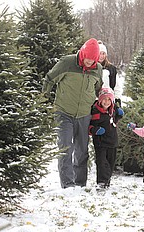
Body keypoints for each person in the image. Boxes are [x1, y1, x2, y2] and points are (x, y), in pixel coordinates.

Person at [43, 38, 103, 189]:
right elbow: (50, 78)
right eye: (87, 59)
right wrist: (43, 100)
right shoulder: (67, 63)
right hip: (64, 111)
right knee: (65, 147)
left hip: (84, 114)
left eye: (93, 60)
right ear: (82, 54)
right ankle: (68, 184)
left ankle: (80, 183)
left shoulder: (98, 69)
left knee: (82, 150)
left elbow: (98, 89)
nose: (89, 63)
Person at [89, 88, 124, 188]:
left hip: (112, 141)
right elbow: (89, 126)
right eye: (104, 99)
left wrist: (119, 115)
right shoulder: (94, 111)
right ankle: (102, 182)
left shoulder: (113, 110)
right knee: (101, 162)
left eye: (109, 100)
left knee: (110, 162)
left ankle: (107, 181)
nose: (107, 102)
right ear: (100, 100)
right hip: (100, 142)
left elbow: (115, 121)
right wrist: (95, 130)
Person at [97, 40, 122, 107]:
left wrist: (117, 100)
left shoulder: (111, 68)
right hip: (94, 101)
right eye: (99, 53)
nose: (101, 56)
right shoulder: (91, 67)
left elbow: (117, 86)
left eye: (103, 53)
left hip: (108, 101)